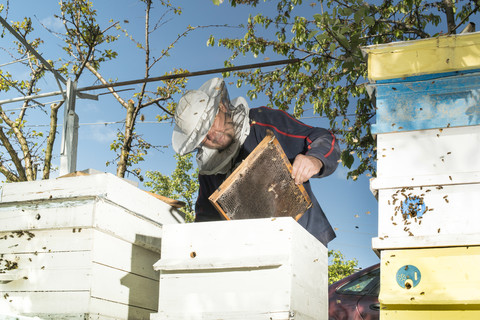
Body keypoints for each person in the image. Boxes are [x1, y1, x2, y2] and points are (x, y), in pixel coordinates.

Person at [172, 77, 340, 246]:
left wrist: (315, 159)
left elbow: (322, 137)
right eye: (203, 136)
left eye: (211, 123)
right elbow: (206, 220)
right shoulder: (209, 173)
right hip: (256, 250)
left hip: (305, 237)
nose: (212, 135)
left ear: (221, 107)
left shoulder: (263, 122)